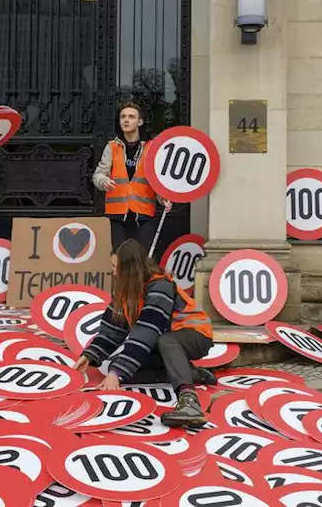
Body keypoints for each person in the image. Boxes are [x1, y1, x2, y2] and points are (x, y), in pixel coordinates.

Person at [73, 239, 217, 427]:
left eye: (117, 268)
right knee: (118, 368)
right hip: (163, 340)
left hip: (195, 334)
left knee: (158, 346)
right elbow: (112, 330)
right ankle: (189, 373)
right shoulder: (126, 292)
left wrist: (117, 373)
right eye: (112, 266)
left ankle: (189, 400)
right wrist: (89, 356)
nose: (114, 272)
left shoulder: (160, 286)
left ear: (131, 270)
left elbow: (147, 331)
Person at [92, 103, 170, 251]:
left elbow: (158, 179)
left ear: (139, 122)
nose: (126, 120)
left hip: (144, 214)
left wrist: (163, 198)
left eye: (131, 117)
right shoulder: (112, 147)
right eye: (123, 117)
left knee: (143, 259)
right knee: (120, 259)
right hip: (117, 216)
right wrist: (104, 181)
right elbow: (98, 175)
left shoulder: (151, 147)